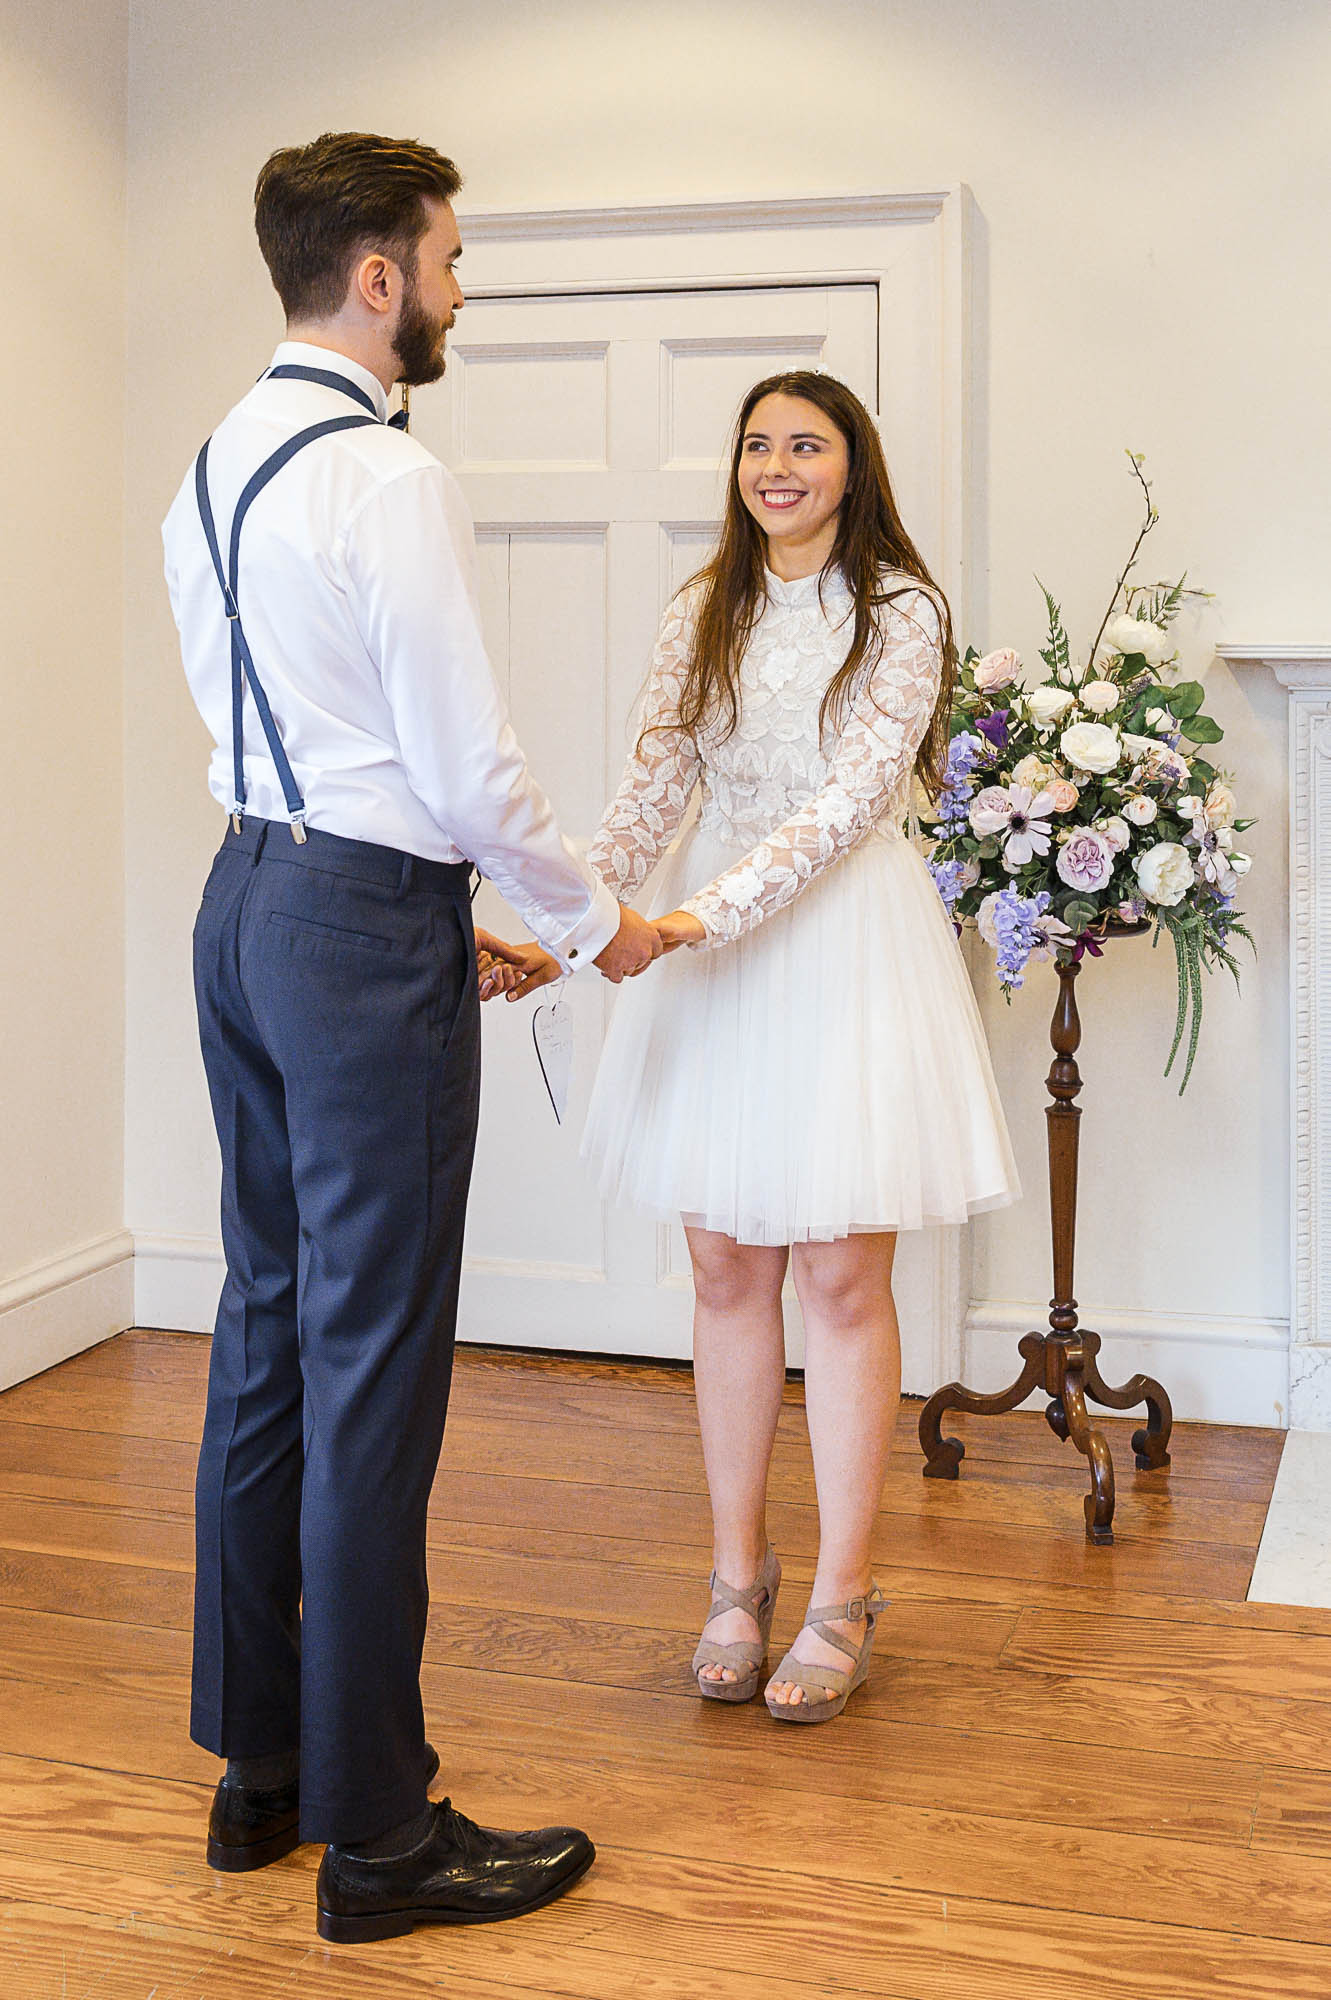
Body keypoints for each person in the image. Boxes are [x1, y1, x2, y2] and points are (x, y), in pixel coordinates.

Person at [161, 130, 661, 1944]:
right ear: (377, 278)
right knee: (376, 1365)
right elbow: (461, 767)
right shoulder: (386, 476)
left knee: (271, 1331)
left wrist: (429, 902)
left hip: (243, 903)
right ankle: (382, 1837)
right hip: (355, 928)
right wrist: (602, 924)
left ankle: (265, 1770)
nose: (456, 289)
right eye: (447, 258)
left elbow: (290, 730)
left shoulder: (211, 464)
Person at [500, 371, 1018, 1723]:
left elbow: (854, 805)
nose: (777, 466)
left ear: (855, 465)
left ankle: (847, 1594)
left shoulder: (902, 611)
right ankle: (738, 1576)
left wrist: (693, 919)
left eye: (806, 444)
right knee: (726, 1270)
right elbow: (653, 789)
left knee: (842, 1278)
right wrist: (561, 928)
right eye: (756, 445)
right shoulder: (701, 610)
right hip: (704, 954)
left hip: (843, 953)